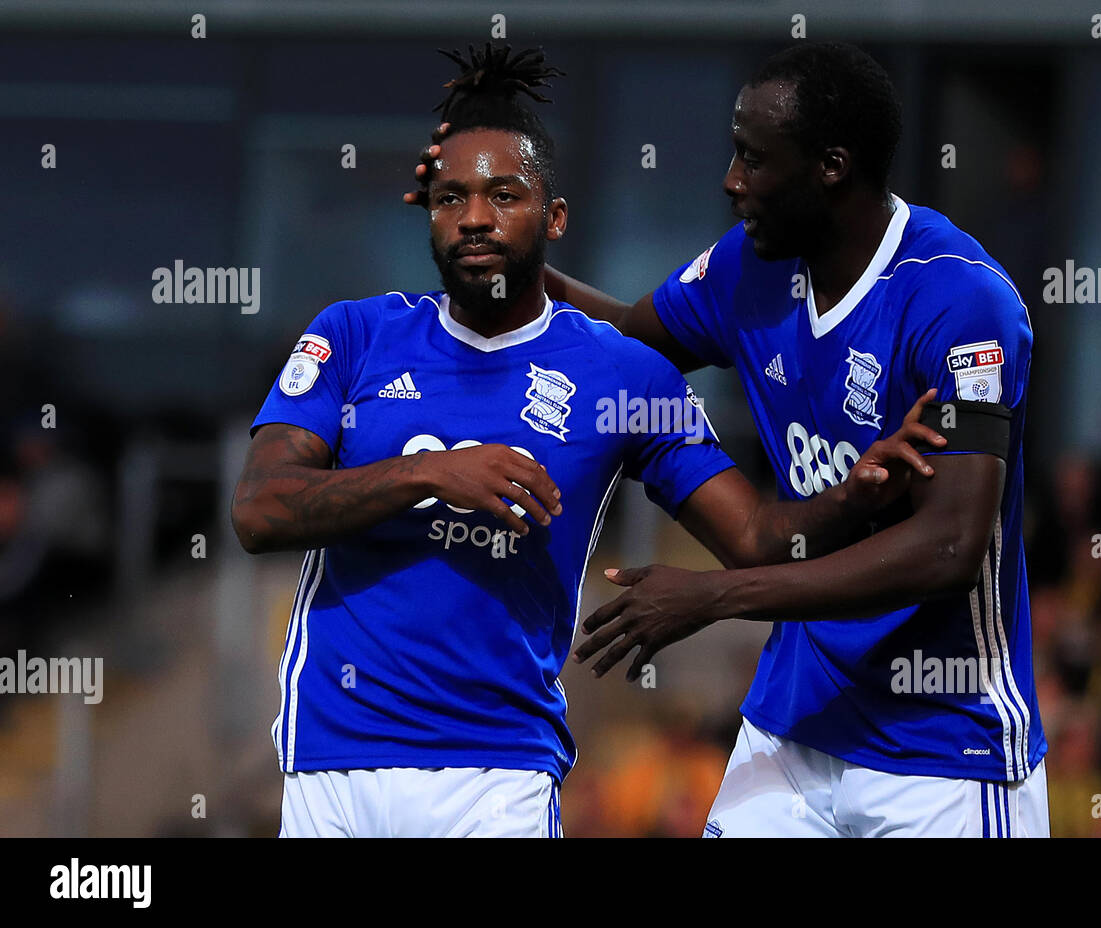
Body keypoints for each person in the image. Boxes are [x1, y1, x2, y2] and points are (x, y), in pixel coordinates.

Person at [234, 43, 942, 838]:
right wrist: (426, 474)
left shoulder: (626, 376)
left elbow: (753, 538)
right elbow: (260, 510)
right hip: (332, 760)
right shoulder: (353, 334)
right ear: (428, 211)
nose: (475, 217)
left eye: (505, 194)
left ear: (555, 217)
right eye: (452, 197)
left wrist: (855, 492)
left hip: (499, 774)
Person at [405, 40, 1048, 837]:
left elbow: (949, 550)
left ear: (831, 167)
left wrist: (715, 596)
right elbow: (630, 340)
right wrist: (502, 240)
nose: (731, 180)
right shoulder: (753, 265)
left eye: (752, 158)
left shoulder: (961, 302)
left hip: (942, 747)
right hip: (793, 722)